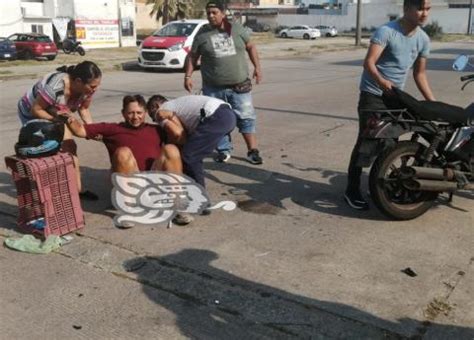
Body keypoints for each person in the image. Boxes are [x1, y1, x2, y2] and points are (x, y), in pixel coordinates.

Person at [344, 0, 435, 210]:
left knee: (390, 145)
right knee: (367, 143)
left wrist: (432, 102)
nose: (424, 13)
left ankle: (377, 185)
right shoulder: (387, 31)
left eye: (428, 9)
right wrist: (382, 82)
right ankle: (352, 190)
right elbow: (369, 62)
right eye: (420, 8)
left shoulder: (423, 39)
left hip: (395, 98)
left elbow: (419, 74)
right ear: (406, 8)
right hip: (373, 94)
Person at [66, 94, 192, 226]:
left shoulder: (156, 129)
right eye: (130, 113)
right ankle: (127, 209)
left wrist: (170, 117)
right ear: (123, 113)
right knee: (123, 152)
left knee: (171, 149)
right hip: (131, 186)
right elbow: (80, 131)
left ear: (146, 113)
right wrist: (66, 116)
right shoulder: (112, 129)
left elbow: (181, 139)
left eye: (139, 113)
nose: (135, 117)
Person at [183, 0, 263, 165]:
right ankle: (224, 150)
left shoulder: (237, 28)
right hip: (213, 88)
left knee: (246, 118)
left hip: (239, 85)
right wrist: (188, 76)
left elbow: (251, 47)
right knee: (216, 120)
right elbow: (193, 56)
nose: (211, 16)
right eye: (208, 13)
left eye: (214, 12)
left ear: (223, 13)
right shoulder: (203, 34)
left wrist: (258, 68)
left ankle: (252, 151)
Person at [17, 60, 102, 200]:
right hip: (33, 111)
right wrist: (57, 121)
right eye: (92, 86)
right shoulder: (55, 88)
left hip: (58, 112)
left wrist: (91, 130)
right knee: (45, 149)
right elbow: (36, 110)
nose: (95, 90)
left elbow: (84, 109)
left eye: (96, 86)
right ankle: (43, 193)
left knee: (70, 146)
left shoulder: (87, 90)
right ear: (79, 81)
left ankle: (77, 190)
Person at [146, 94, 236, 189]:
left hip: (215, 118)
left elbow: (178, 134)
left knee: (190, 156)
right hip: (227, 114)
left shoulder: (161, 112)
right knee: (190, 153)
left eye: (153, 118)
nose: (155, 121)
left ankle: (199, 196)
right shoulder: (178, 104)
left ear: (156, 106)